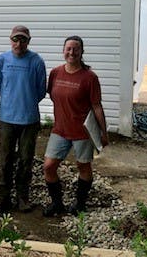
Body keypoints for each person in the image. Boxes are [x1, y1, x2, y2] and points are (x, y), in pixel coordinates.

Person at [42, 35, 109, 217]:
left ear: (81, 52)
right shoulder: (56, 73)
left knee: (83, 167)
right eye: (68, 49)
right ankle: (57, 204)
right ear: (63, 51)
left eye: (76, 49)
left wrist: (103, 132)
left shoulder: (89, 78)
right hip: (60, 130)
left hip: (82, 132)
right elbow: (53, 95)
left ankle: (80, 203)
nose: (72, 52)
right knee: (49, 166)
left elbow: (96, 106)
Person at [0, 25, 46, 213]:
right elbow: (0, 86)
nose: (18, 43)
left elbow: (40, 91)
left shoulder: (36, 61)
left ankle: (23, 197)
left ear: (28, 41)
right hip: (6, 118)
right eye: (15, 39)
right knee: (5, 158)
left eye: (22, 39)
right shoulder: (1, 60)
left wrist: (26, 102)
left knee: (25, 160)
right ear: (10, 40)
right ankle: (2, 197)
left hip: (29, 120)